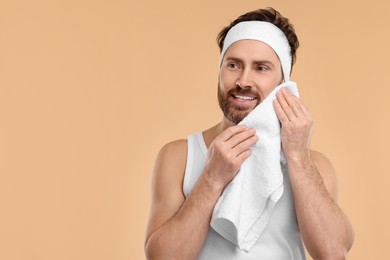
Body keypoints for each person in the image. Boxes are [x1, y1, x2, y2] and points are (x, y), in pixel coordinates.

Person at [144, 7, 354, 260]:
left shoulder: (315, 165)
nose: (243, 80)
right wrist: (211, 179)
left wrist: (297, 157)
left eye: (261, 68)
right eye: (233, 65)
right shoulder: (179, 156)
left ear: (283, 83)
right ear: (220, 71)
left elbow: (333, 252)